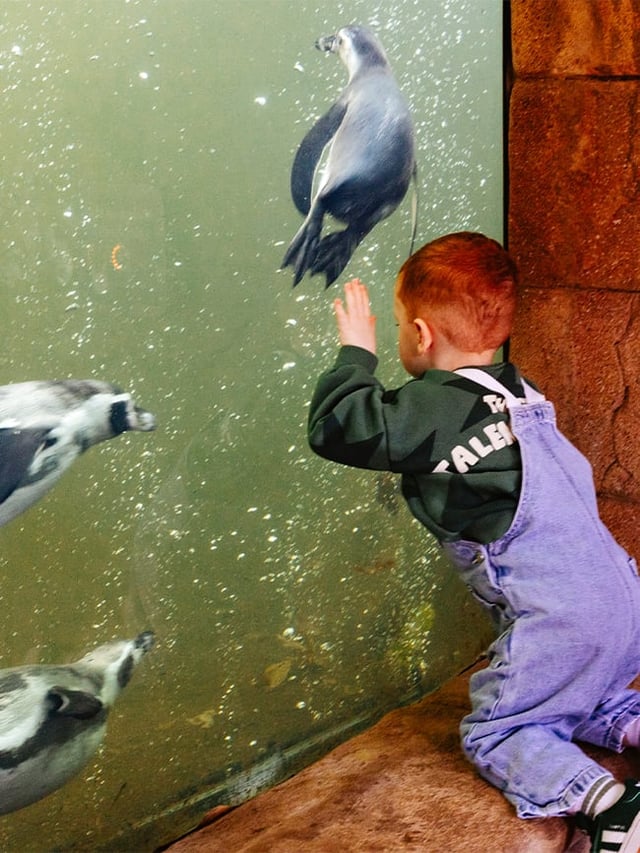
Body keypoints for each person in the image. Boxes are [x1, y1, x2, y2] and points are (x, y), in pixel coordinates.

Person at [307, 231, 640, 852]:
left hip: (564, 616)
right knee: (580, 690)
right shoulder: (522, 393)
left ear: (422, 335)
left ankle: (615, 810)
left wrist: (356, 353)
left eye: (403, 325)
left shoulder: (436, 406)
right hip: (621, 598)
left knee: (497, 730)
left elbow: (338, 429)